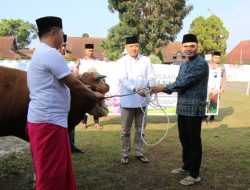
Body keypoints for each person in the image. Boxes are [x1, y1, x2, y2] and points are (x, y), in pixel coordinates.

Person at [27, 16, 104, 190]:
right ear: (54, 32)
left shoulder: (41, 52)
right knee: (51, 176)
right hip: (48, 123)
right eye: (62, 33)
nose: (63, 37)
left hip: (49, 122)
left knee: (59, 171)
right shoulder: (50, 53)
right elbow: (75, 85)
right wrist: (94, 95)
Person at [151, 34, 209, 186]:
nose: (189, 49)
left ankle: (195, 174)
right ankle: (187, 166)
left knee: (193, 140)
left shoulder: (201, 64)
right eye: (186, 46)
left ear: (198, 46)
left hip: (194, 107)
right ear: (182, 48)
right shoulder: (183, 64)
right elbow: (178, 82)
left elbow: (184, 82)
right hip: (182, 106)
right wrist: (163, 87)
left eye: (192, 46)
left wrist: (164, 88)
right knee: (184, 138)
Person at [118, 36, 155, 164]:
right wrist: (135, 89)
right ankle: (125, 154)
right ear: (126, 47)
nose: (134, 48)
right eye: (131, 46)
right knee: (125, 130)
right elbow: (123, 79)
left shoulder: (146, 60)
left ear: (139, 46)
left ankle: (139, 152)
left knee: (141, 129)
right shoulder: (122, 61)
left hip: (142, 101)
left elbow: (151, 75)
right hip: (127, 101)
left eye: (136, 46)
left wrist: (151, 86)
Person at [59, 34, 84, 153]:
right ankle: (64, 147)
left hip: (67, 99)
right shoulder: (52, 58)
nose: (63, 48)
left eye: (64, 46)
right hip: (55, 102)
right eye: (62, 45)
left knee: (71, 122)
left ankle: (71, 146)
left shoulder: (63, 60)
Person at [76, 44, 103, 129]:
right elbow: (77, 73)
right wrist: (77, 65)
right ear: (85, 51)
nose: (91, 52)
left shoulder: (97, 61)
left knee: (96, 103)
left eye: (92, 50)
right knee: (84, 103)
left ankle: (97, 122)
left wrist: (105, 61)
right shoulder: (81, 61)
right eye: (89, 50)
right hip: (85, 85)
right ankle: (83, 122)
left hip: (95, 86)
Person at [207, 51, 227, 122]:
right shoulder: (208, 66)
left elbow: (224, 78)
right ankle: (204, 116)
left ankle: (212, 117)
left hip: (217, 88)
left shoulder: (222, 67)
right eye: (215, 57)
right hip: (208, 87)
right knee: (206, 101)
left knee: (214, 101)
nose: (217, 59)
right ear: (212, 57)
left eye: (218, 58)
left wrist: (222, 89)